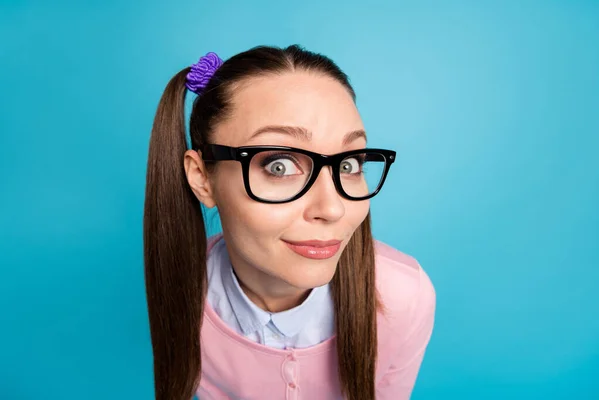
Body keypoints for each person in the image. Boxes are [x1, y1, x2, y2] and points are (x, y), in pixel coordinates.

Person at [143, 45, 436, 400]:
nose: (332, 209)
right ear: (202, 178)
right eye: (279, 165)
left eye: (349, 164)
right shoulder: (184, 291)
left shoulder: (403, 297)